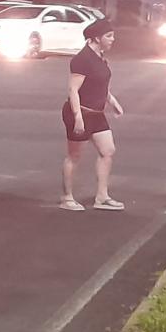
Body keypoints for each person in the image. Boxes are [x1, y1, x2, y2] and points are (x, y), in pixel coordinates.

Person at [61, 19, 124, 211]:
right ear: (96, 38)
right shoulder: (82, 59)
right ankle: (67, 198)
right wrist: (78, 117)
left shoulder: (100, 57)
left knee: (108, 151)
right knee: (74, 155)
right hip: (81, 113)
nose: (113, 39)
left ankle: (102, 197)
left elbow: (101, 84)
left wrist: (113, 102)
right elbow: (73, 90)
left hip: (97, 113)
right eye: (109, 36)